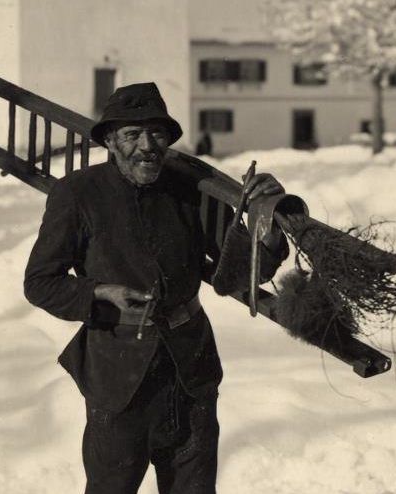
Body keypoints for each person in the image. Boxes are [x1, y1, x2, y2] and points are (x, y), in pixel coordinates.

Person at [24, 82, 288, 494]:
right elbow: (40, 282)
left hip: (190, 370)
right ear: (110, 141)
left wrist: (267, 224)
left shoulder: (190, 189)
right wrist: (97, 294)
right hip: (118, 374)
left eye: (157, 134)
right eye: (132, 135)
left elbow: (233, 275)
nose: (147, 146)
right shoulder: (78, 194)